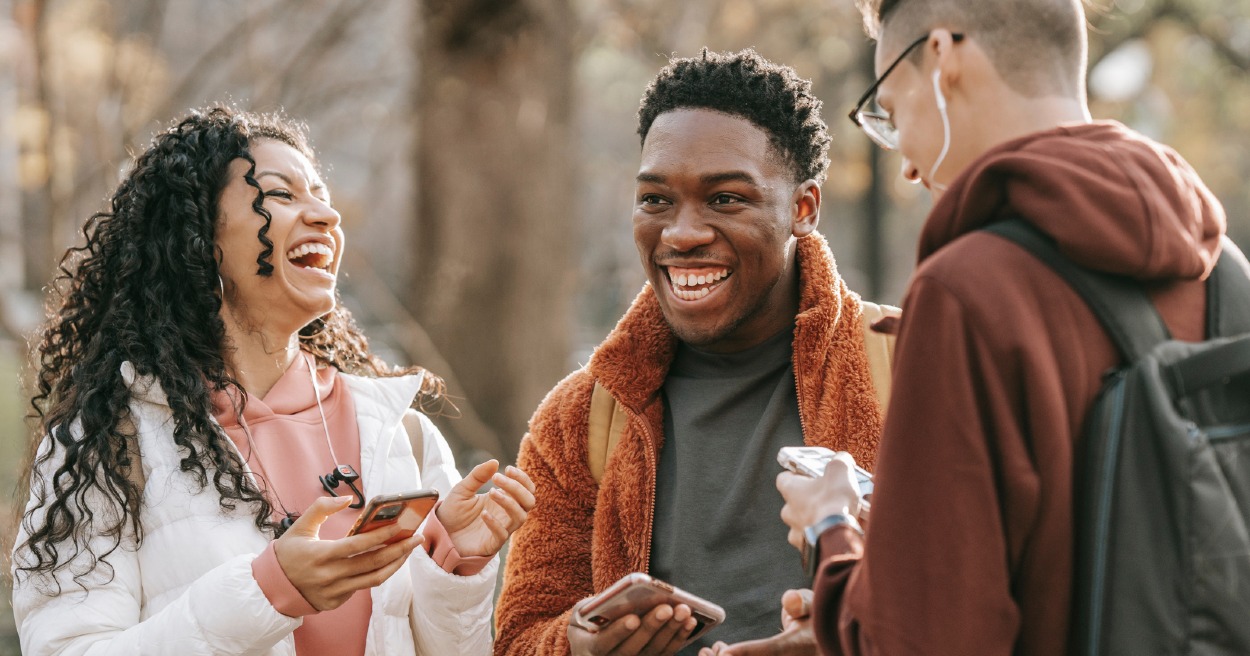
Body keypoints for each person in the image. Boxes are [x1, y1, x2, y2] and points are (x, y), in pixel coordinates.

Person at [755, 0, 1249, 655]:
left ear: (942, 56)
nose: (904, 163)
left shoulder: (966, 292)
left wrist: (831, 531)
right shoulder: (1225, 272)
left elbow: (919, 643)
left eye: (892, 113)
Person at [10, 106, 536, 656]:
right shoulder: (109, 443)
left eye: (322, 197)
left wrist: (457, 564)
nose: (327, 218)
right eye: (281, 195)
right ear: (197, 237)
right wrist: (267, 593)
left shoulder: (402, 433)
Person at [495, 49, 892, 656]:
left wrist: (856, 636)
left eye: (726, 198)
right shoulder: (580, 421)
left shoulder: (911, 366)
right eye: (656, 200)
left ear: (803, 209)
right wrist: (574, 646)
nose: (681, 234)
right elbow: (521, 634)